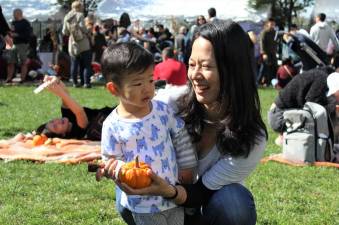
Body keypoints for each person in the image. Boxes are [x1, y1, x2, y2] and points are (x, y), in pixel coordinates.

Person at [102, 20, 268, 225]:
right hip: (159, 207)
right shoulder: (170, 104)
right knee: (126, 185)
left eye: (206, 66)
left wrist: (168, 190)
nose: (194, 75)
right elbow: (126, 113)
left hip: (203, 208)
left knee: (234, 203)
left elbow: (201, 193)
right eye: (191, 64)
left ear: (233, 69)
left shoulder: (252, 137)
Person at [100, 42, 197, 225]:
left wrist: (187, 167)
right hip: (142, 203)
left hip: (172, 194)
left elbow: (180, 136)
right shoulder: (112, 125)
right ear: (114, 89)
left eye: (151, 80)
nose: (147, 88)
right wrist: (119, 170)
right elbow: (110, 160)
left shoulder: (162, 110)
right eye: (137, 83)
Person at [268, 66, 338, 146]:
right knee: (316, 118)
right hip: (278, 117)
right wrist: (332, 106)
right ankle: (285, 137)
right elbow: (312, 107)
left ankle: (286, 136)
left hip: (278, 114)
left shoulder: (320, 76)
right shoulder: (322, 79)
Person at [34, 76, 114, 141]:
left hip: (115, 111)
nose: (56, 121)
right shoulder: (77, 134)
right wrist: (58, 92)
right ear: (62, 135)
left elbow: (66, 93)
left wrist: (55, 81)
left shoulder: (66, 115)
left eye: (52, 121)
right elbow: (80, 112)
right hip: (119, 121)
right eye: (55, 127)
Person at [62, 0, 92, 88]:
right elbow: (83, 27)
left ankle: (75, 83)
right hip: (83, 43)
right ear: (79, 7)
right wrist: (87, 31)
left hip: (72, 43)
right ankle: (86, 83)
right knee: (86, 64)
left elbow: (64, 32)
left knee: (74, 64)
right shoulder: (80, 15)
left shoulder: (67, 17)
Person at [5, 8, 32, 83]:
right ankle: (9, 78)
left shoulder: (26, 23)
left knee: (23, 62)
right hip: (12, 44)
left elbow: (28, 35)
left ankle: (22, 79)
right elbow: (11, 32)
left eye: (14, 13)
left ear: (19, 13)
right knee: (10, 62)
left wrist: (17, 35)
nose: (13, 15)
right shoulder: (13, 22)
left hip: (22, 44)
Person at [258, 18, 278, 86]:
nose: (272, 25)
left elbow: (276, 42)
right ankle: (258, 82)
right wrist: (263, 53)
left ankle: (269, 82)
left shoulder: (275, 32)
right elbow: (261, 43)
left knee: (273, 67)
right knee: (264, 68)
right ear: (268, 24)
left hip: (273, 53)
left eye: (273, 24)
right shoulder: (264, 32)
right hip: (266, 53)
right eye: (271, 23)